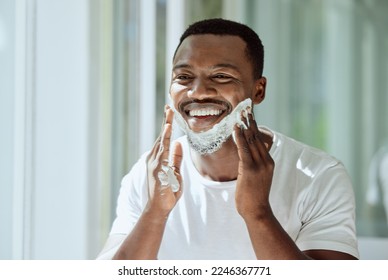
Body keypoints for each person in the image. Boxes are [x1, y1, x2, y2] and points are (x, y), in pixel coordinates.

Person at [97, 18, 359, 260]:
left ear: (258, 91)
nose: (198, 92)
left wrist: (257, 213)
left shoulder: (319, 176)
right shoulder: (149, 176)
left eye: (221, 76)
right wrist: (155, 213)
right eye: (184, 77)